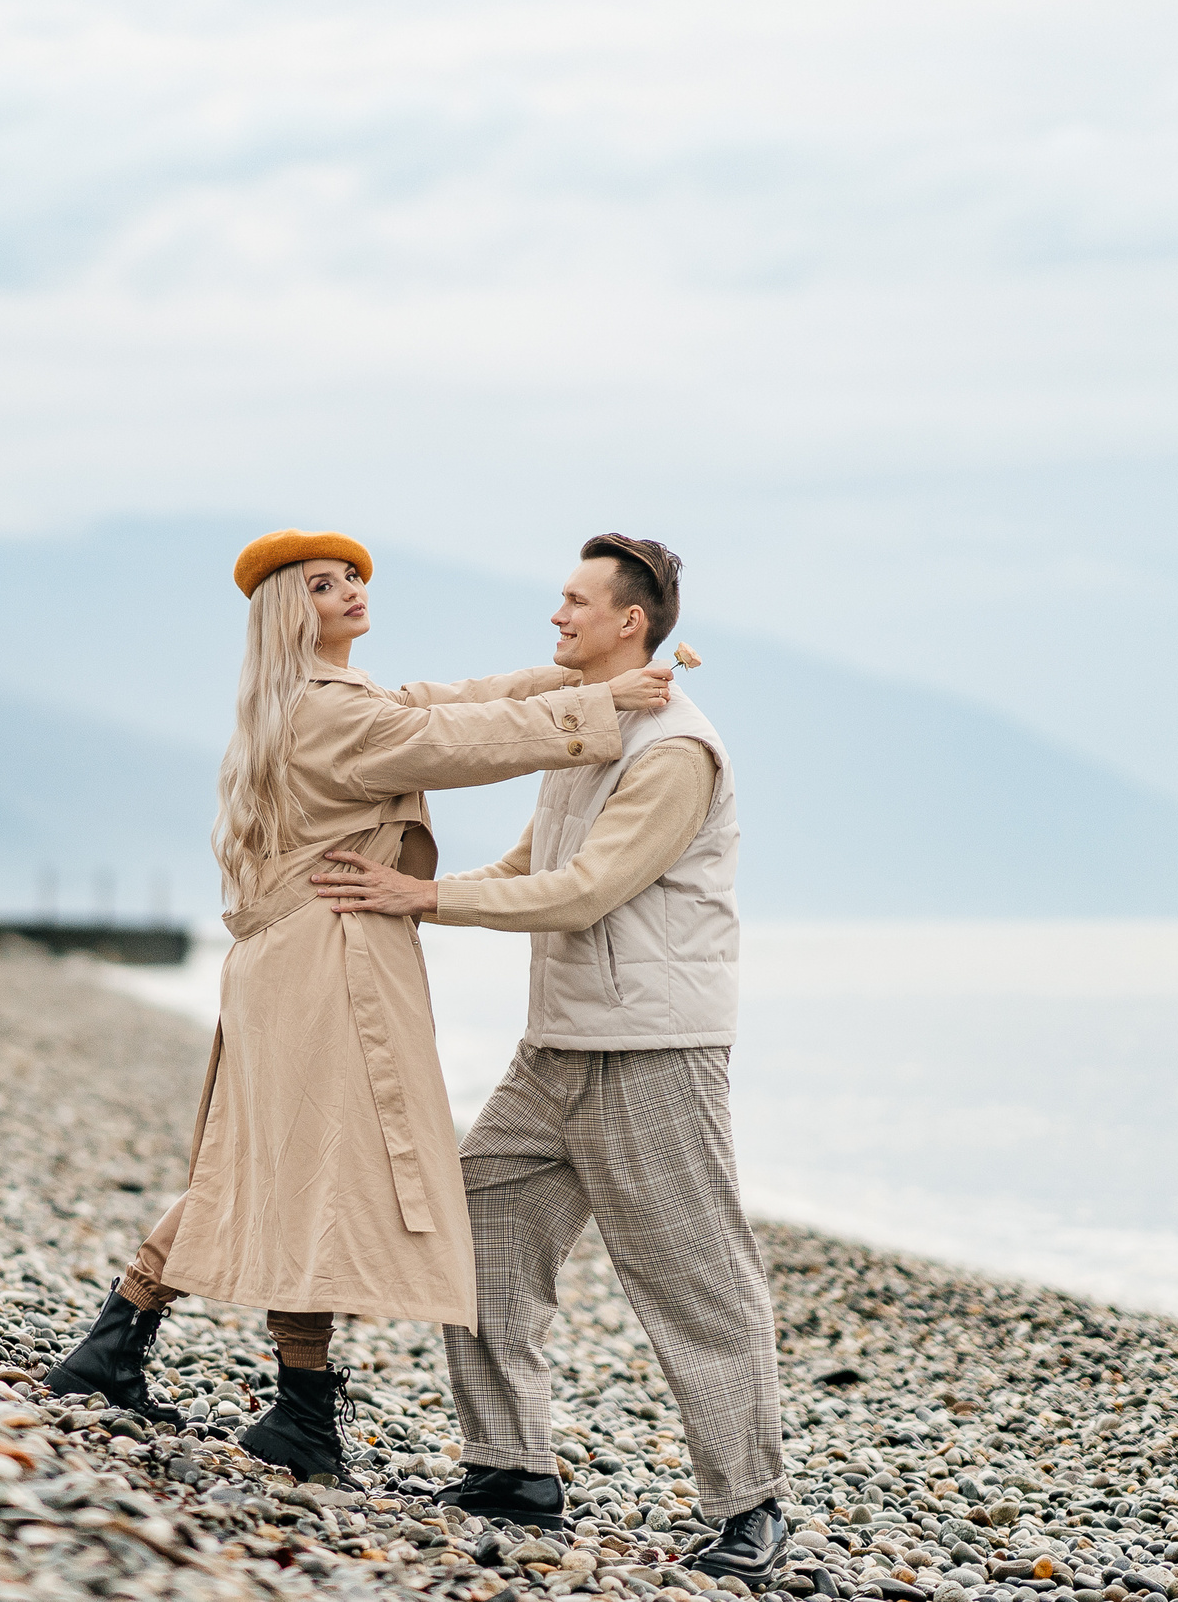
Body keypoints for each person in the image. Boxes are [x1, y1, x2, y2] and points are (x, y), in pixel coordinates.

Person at [44, 527, 674, 1483]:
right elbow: (451, 742)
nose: (349, 591)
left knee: (285, 1169)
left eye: (351, 577)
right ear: (288, 611)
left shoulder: (328, 696)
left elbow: (456, 700)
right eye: (323, 585)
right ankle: (257, 1398)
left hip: (309, 957)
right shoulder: (331, 713)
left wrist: (579, 684)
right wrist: (599, 704)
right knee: (312, 1173)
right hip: (321, 961)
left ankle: (153, 1360)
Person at [310, 533, 787, 1585]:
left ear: (631, 622)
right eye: (558, 599)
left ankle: (752, 1509)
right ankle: (511, 1469)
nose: (557, 617)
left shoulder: (674, 749)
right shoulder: (590, 727)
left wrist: (427, 897)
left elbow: (584, 891)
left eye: (575, 602)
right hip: (558, 1046)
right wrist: (405, 898)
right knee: (482, 1220)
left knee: (694, 1276)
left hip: (652, 1051)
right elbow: (533, 861)